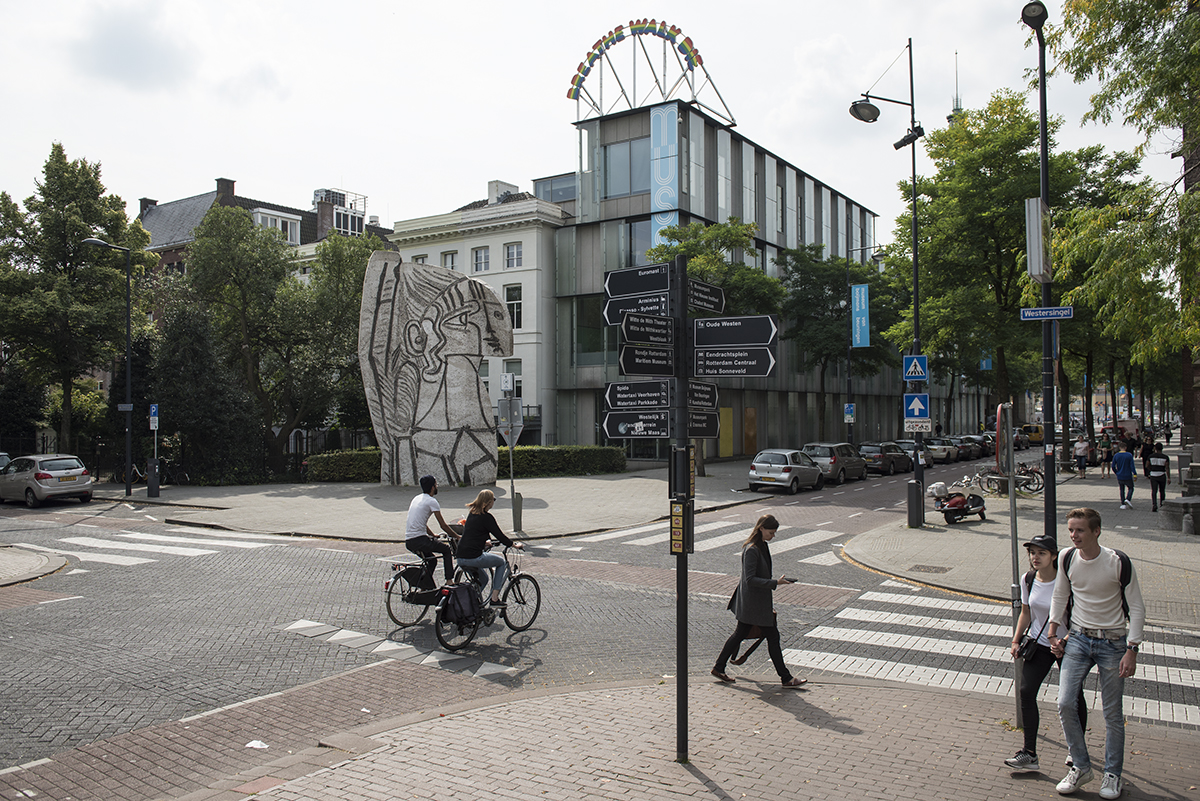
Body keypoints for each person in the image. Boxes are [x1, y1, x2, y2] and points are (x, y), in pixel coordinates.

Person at [1048, 508, 1145, 799]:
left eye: (1079, 530)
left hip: (1113, 642)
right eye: (1071, 530)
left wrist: (1132, 649)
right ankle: (1081, 766)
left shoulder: (1117, 562)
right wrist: (1053, 630)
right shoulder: (1066, 557)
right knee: (1065, 703)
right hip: (1078, 639)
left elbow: (1137, 607)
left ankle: (1112, 775)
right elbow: (1060, 594)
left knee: (1112, 713)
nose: (1073, 535)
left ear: (1096, 531)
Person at [1004, 534, 1087, 774]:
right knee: (1026, 691)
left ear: (1053, 556)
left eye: (1041, 553)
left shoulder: (1067, 581)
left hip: (1067, 644)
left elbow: (1079, 616)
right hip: (1040, 643)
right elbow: (1026, 612)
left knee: (1073, 697)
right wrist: (1016, 640)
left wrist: (1065, 640)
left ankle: (1076, 749)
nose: (1035, 557)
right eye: (1032, 553)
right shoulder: (1028, 579)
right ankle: (1029, 753)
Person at [711, 515, 806, 688]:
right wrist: (775, 583)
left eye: (774, 532)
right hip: (754, 604)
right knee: (772, 637)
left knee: (740, 634)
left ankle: (719, 667)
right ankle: (786, 678)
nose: (773, 536)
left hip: (754, 603)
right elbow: (750, 579)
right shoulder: (752, 550)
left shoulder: (762, 546)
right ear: (761, 528)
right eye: (771, 532)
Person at [455, 489, 524, 607]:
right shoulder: (487, 517)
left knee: (484, 579)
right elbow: (500, 536)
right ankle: (494, 599)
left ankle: (470, 605)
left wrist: (485, 542)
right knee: (501, 562)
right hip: (473, 557)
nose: (494, 502)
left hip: (460, 558)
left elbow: (473, 534)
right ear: (488, 502)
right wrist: (514, 545)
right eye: (493, 499)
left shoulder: (472, 514)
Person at [404, 475, 460, 582]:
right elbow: (443, 525)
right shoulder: (432, 501)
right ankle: (449, 581)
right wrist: (457, 536)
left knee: (432, 560)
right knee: (446, 550)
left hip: (409, 541)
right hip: (420, 540)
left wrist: (432, 535)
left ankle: (425, 585)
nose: (437, 486)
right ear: (433, 487)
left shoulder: (416, 498)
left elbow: (421, 523)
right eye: (436, 484)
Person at [1111, 441, 1137, 509]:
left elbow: (1113, 466)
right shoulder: (1129, 455)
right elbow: (1132, 466)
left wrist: (1117, 472)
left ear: (1119, 447)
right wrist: (1134, 474)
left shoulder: (1116, 455)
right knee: (1131, 488)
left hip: (1120, 475)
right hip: (1128, 475)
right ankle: (1128, 499)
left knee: (1122, 489)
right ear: (1126, 448)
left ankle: (1123, 503)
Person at [1146, 442, 1171, 513]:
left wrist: (1151, 470)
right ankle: (1162, 504)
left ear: (1155, 448)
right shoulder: (1165, 457)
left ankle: (1154, 504)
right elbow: (1167, 468)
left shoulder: (1151, 456)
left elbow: (1147, 465)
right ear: (1162, 448)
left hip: (1153, 475)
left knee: (1154, 491)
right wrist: (1169, 478)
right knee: (1162, 491)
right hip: (1162, 475)